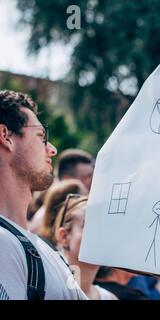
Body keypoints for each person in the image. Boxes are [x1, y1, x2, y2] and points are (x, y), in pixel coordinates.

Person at [0, 90, 86, 299]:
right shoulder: (3, 244)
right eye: (40, 136)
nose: (52, 149)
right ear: (5, 137)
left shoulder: (44, 249)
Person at [54, 194, 117, 300]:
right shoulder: (47, 291)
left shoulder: (110, 298)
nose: (101, 234)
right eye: (90, 226)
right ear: (64, 237)